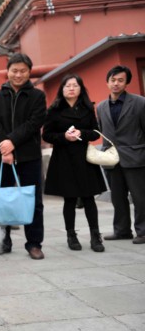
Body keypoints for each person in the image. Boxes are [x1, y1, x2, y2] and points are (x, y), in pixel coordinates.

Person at [0, 53, 47, 260]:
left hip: (29, 155)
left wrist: (11, 142)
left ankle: (34, 243)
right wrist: (5, 149)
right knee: (2, 199)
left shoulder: (37, 96)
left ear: (29, 72)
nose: (18, 74)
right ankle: (3, 241)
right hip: (1, 157)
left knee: (33, 200)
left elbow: (35, 123)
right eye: (14, 70)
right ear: (8, 72)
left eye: (23, 71)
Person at [43, 74, 106, 252]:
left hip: (84, 158)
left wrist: (81, 133)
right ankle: (71, 235)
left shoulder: (87, 108)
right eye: (67, 85)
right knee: (69, 199)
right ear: (62, 89)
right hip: (63, 158)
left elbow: (95, 132)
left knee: (89, 198)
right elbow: (46, 135)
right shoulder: (54, 110)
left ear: (80, 89)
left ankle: (96, 236)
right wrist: (64, 136)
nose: (71, 88)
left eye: (75, 85)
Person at [97, 65, 145, 245]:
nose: (116, 84)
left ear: (126, 83)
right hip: (111, 159)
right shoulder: (101, 107)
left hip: (136, 158)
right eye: (113, 80)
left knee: (140, 198)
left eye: (120, 80)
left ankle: (143, 231)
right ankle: (122, 230)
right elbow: (103, 133)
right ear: (108, 82)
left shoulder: (140, 103)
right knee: (117, 197)